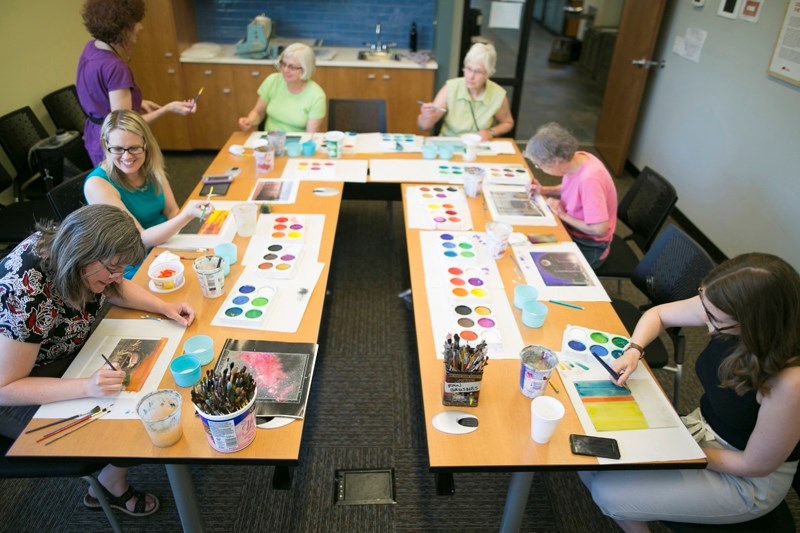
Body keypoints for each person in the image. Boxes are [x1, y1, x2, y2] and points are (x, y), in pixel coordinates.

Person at [0, 204, 196, 517]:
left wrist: (164, 307)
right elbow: (6, 387)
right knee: (127, 429)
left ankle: (109, 477)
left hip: (60, 353)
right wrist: (87, 386)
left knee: (146, 389)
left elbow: (116, 287)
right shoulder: (26, 288)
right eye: (112, 268)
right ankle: (107, 484)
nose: (118, 277)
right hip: (17, 386)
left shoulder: (83, 259)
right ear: (84, 253)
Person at [580, 253, 800, 531]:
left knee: (607, 492)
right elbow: (658, 314)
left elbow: (754, 465)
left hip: (745, 478)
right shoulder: (723, 306)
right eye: (705, 309)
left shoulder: (790, 382)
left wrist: (676, 450)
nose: (707, 327)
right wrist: (635, 349)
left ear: (755, 323)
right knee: (588, 451)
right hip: (699, 434)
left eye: (716, 320)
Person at [83, 110, 213, 279]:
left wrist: (188, 236)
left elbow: (172, 211)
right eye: (117, 149)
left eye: (134, 148)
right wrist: (188, 215)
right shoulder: (97, 184)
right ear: (106, 146)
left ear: (146, 144)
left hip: (166, 245)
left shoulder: (150, 166)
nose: (127, 156)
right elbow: (140, 239)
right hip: (134, 263)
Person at [76, 0, 196, 165]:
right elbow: (124, 126)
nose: (140, 27)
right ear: (122, 27)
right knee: (127, 189)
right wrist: (167, 109)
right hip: (115, 145)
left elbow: (99, 96)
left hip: (96, 136)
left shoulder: (91, 48)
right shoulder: (115, 67)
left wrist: (137, 102)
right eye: (136, 22)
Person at [524, 122, 617, 268]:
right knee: (525, 240)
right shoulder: (578, 159)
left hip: (589, 244)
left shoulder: (590, 179)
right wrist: (544, 190)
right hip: (572, 229)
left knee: (538, 264)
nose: (538, 169)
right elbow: (571, 187)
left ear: (556, 161)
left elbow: (599, 230)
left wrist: (562, 214)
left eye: (539, 165)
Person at [417, 42, 514, 141]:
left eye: (478, 71)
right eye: (468, 69)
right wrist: (426, 116)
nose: (470, 76)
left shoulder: (497, 94)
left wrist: (491, 132)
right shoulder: (451, 88)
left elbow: (507, 123)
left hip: (478, 146)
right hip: (449, 146)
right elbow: (423, 127)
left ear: (488, 74)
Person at [238, 43, 327, 133]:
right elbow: (258, 112)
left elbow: (309, 136)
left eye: (291, 67)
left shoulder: (317, 95)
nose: (285, 70)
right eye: (283, 64)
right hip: (269, 141)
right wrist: (249, 121)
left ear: (305, 69)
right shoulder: (273, 81)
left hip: (297, 145)